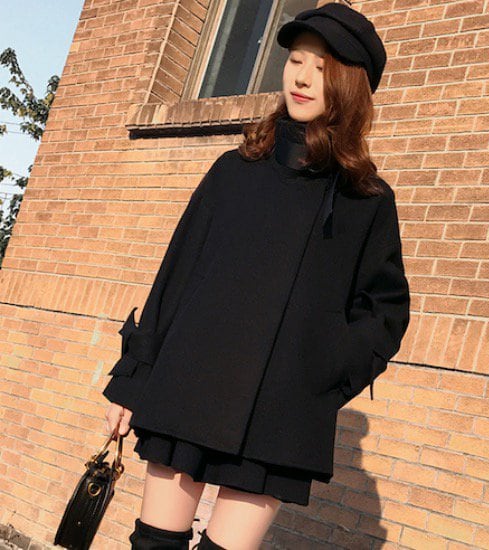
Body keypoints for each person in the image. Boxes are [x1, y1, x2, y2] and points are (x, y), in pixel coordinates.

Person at [103, 3, 410, 549]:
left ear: (350, 85)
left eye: (322, 68)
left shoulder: (366, 200)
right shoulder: (234, 170)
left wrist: (319, 374)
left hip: (277, 414)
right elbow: (174, 278)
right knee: (154, 544)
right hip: (188, 384)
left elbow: (384, 312)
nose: (301, 77)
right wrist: (133, 380)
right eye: (295, 60)